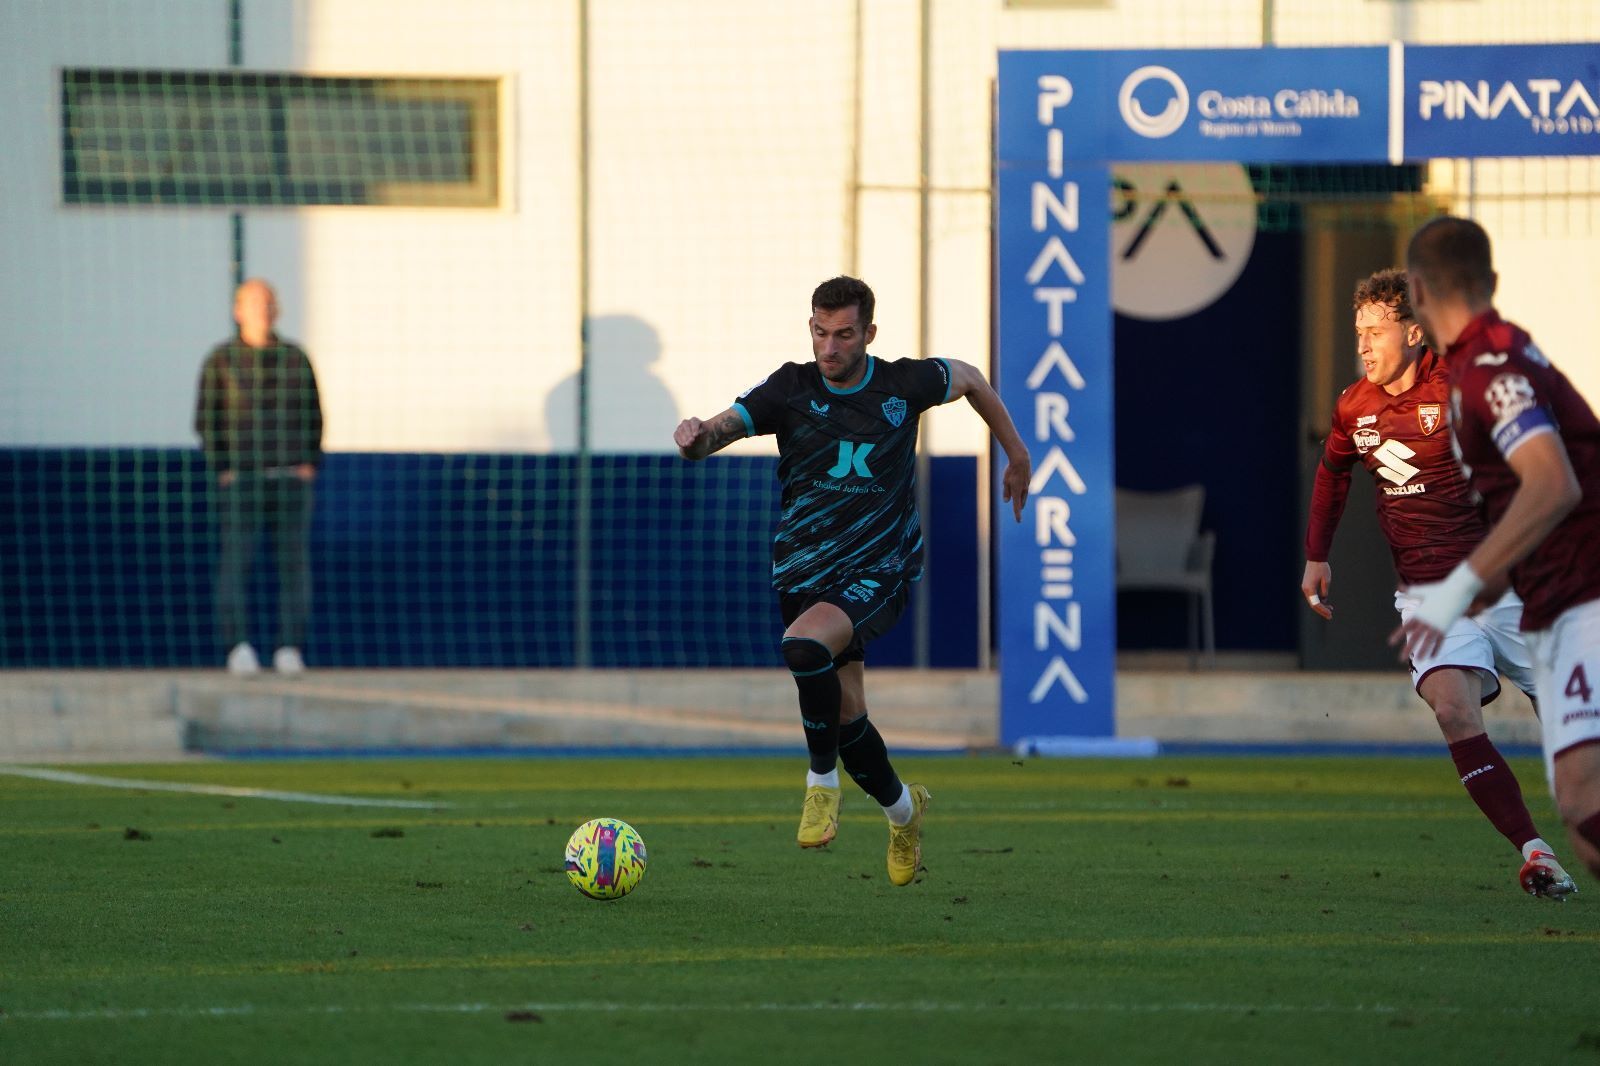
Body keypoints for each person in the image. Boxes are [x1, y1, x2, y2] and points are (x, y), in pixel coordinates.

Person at [674, 276, 1031, 886]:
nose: (829, 347)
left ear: (869, 333)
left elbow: (970, 376)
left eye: (843, 335)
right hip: (803, 568)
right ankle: (903, 814)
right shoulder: (792, 387)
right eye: (820, 332)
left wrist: (1016, 452)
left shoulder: (902, 384)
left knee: (804, 646)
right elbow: (720, 430)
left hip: (878, 566)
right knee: (847, 718)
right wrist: (695, 438)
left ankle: (819, 783)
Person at [1303, 268, 1572, 899]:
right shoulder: (1354, 407)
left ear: (1415, 333)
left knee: (1572, 719)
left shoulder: (1462, 387)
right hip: (1429, 595)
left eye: (1376, 331)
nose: (1364, 345)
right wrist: (1317, 555)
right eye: (1358, 332)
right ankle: (1535, 852)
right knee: (1452, 710)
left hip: (1511, 587)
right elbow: (1332, 472)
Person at [1395, 216, 1600, 891]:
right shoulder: (1493, 354)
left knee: (1583, 800)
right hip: (1555, 593)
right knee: (1579, 802)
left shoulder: (1489, 367)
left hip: (1585, 593)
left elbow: (1551, 481)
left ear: (1417, 290)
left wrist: (1458, 588)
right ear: (1493, 282)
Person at [194, 278, 323, 677]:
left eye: (267, 303)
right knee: (236, 562)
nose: (260, 311)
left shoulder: (295, 358)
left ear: (277, 310)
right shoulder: (221, 360)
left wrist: (308, 464)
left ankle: (289, 648)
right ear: (238, 311)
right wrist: (224, 468)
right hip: (242, 479)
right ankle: (238, 648)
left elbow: (314, 413)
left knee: (293, 565)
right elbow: (207, 418)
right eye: (252, 304)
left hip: (288, 479)